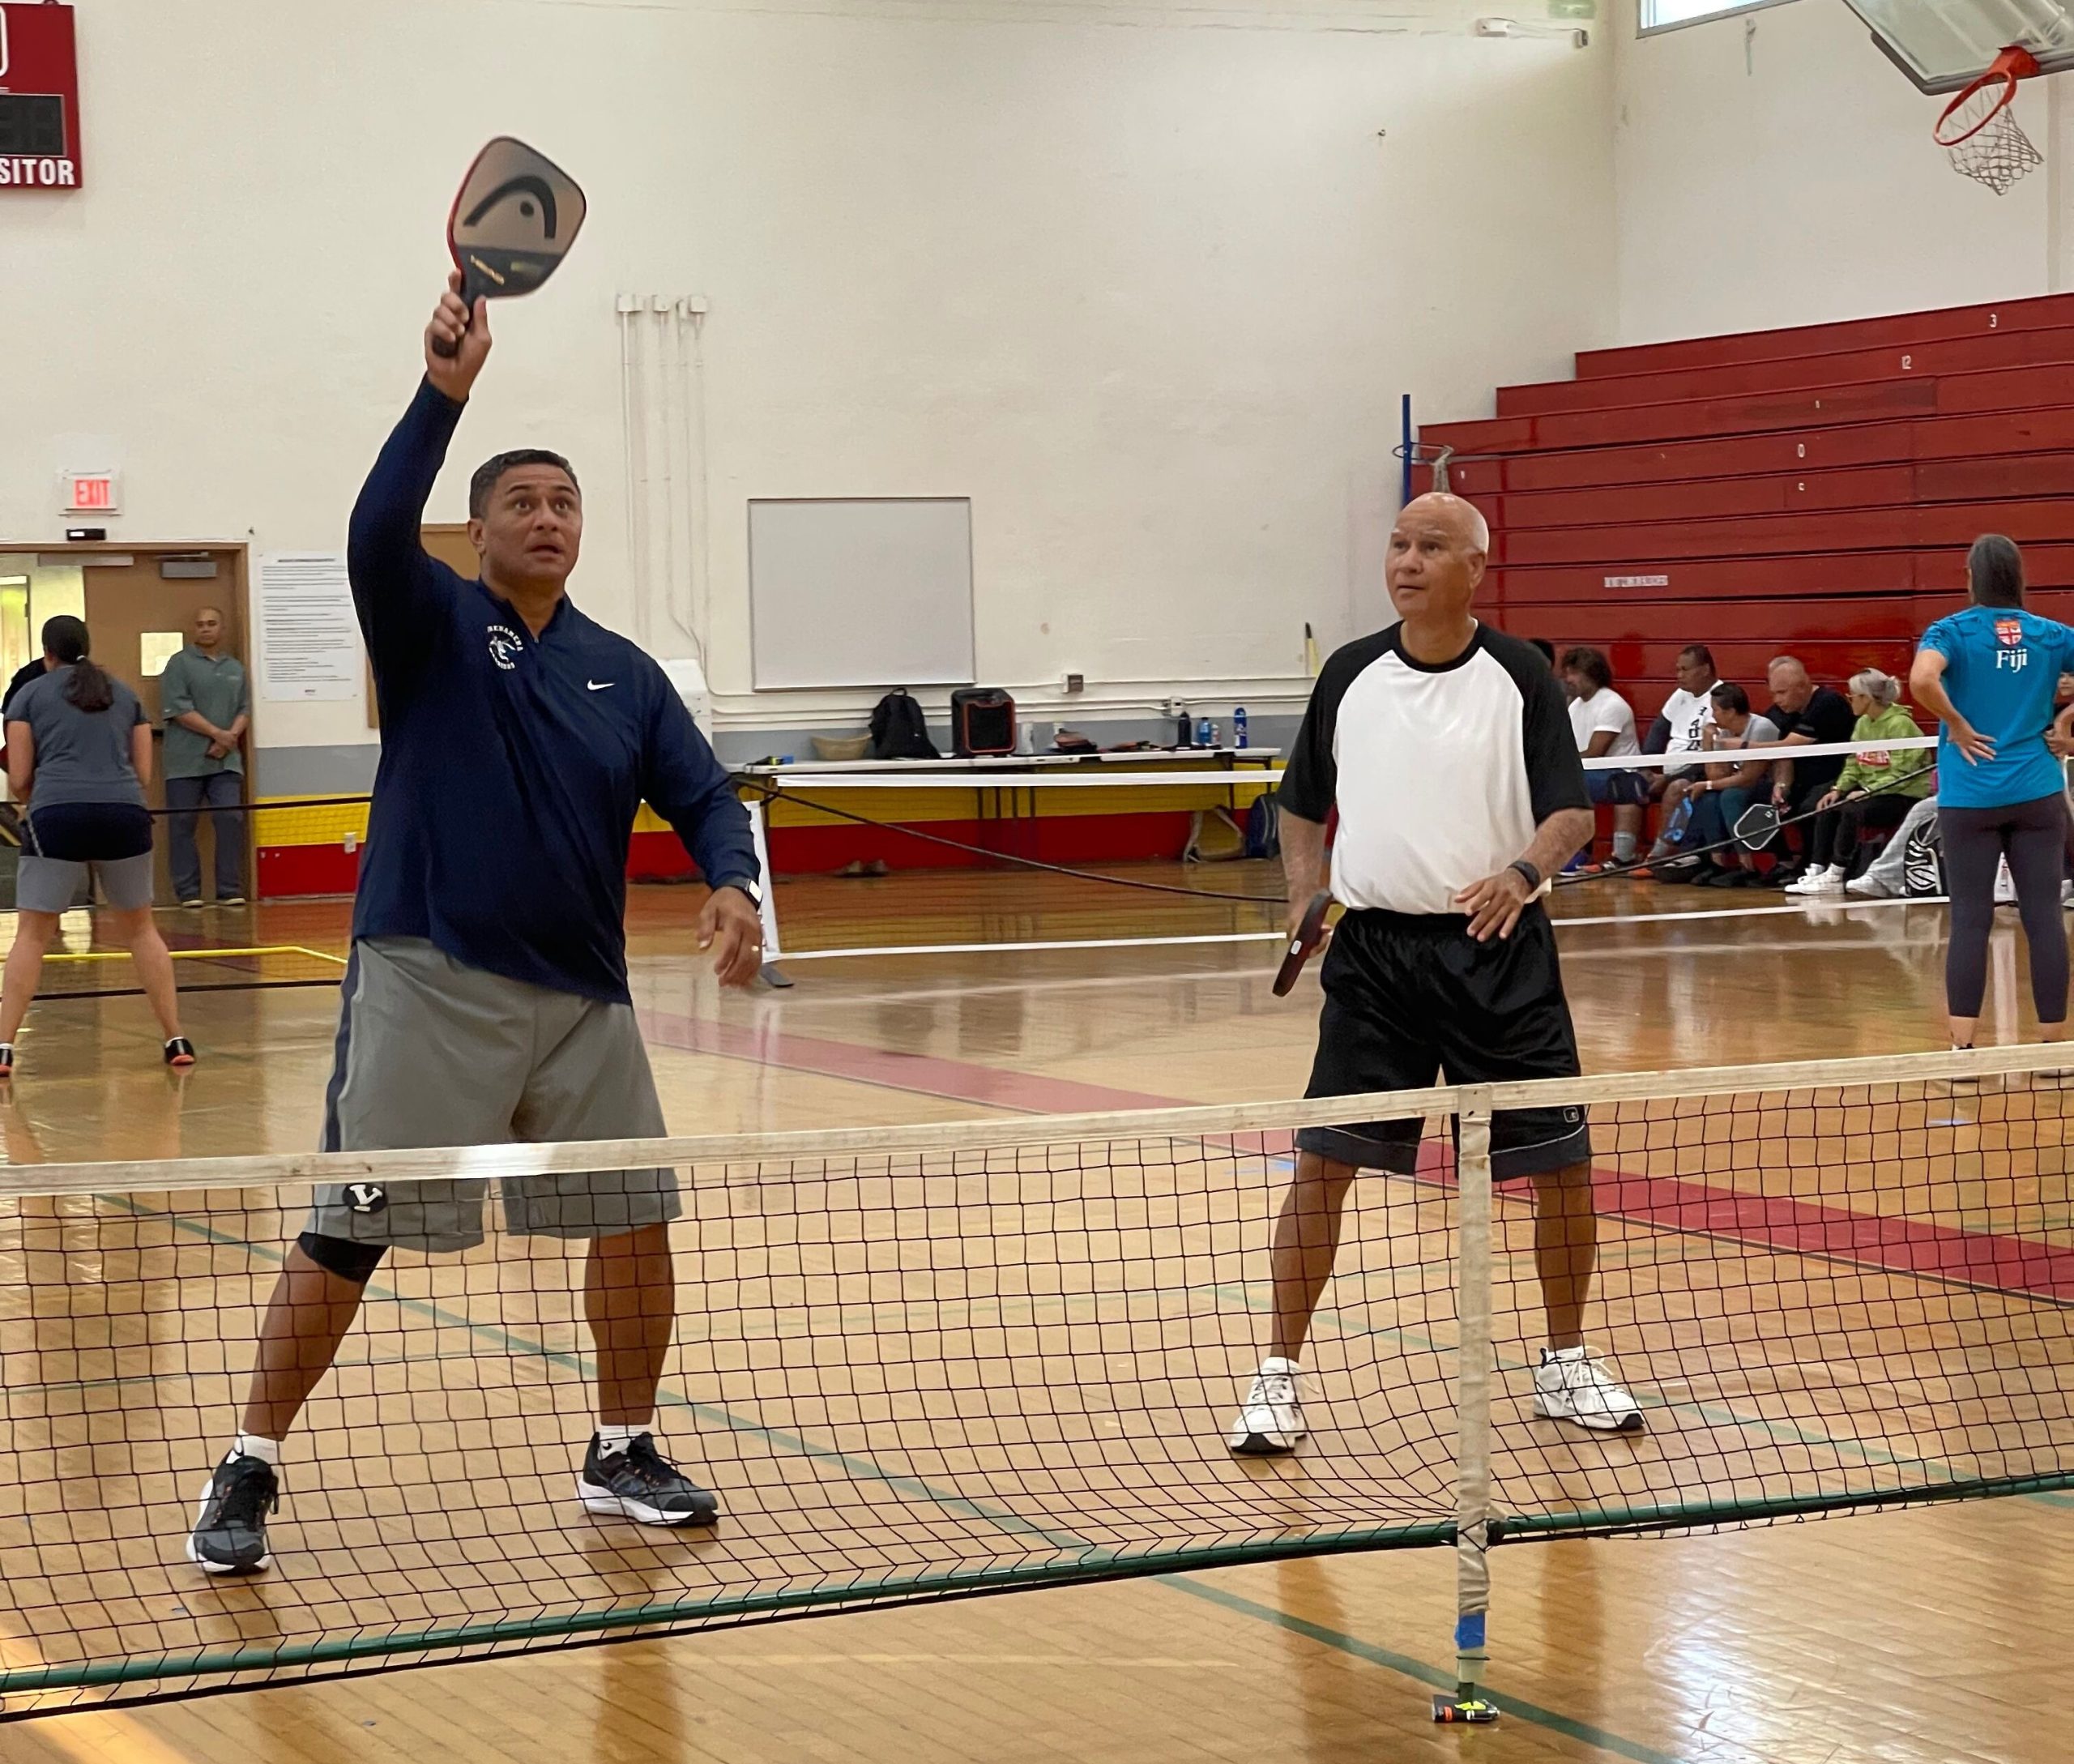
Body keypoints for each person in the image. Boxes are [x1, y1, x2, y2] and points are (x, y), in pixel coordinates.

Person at [186, 274, 768, 1576]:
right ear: (480, 527)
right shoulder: (433, 621)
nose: (549, 519)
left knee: (634, 1219)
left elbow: (702, 791)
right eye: (523, 502)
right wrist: (443, 391)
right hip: (426, 974)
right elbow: (373, 525)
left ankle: (623, 1445)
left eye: (565, 503)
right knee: (353, 1223)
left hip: (584, 1002)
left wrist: (734, 878)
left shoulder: (625, 669)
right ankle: (251, 1461)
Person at [1227, 492, 1640, 1459]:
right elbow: (1299, 803)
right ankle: (1276, 1376)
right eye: (1398, 543)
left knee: (1561, 1166)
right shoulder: (1349, 673)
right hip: (1375, 961)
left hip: (1498, 950)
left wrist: (1521, 873)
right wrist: (1302, 891)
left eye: (1431, 546)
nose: (1406, 561)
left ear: (1477, 568)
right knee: (1323, 1166)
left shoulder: (1522, 676)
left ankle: (1564, 1359)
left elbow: (1570, 813)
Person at [0, 617, 195, 1075]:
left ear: (48, 654)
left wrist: (49, 801)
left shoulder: (27, 696)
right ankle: (175, 1038)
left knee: (33, 934)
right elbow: (144, 774)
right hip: (124, 815)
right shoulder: (125, 695)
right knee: (141, 932)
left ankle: (4, 1047)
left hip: (57, 816)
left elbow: (22, 778)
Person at [1909, 534, 2074, 1057]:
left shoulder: (1951, 631)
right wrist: (2066, 724)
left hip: (1970, 797)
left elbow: (1921, 679)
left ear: (1970, 576)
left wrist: (1956, 723)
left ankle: (1964, 1047)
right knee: (2044, 916)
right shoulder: (2050, 635)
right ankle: (2053, 1048)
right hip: (2038, 793)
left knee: (1972, 919)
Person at [1785, 669, 1932, 895]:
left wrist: (1867, 791)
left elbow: (1904, 771)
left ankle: (1837, 872)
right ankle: (1817, 870)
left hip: (1903, 794)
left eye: (1853, 695)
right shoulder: (1862, 723)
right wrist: (1838, 789)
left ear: (1867, 697)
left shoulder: (1900, 725)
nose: (1849, 699)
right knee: (1827, 805)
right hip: (1872, 790)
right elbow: (1854, 761)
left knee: (1852, 810)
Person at [160, 606, 250, 908]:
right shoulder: (179, 664)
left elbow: (244, 710)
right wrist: (218, 734)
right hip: (184, 763)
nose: (205, 629)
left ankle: (229, 889)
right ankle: (188, 892)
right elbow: (179, 709)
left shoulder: (236, 668)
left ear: (221, 628)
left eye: (211, 623)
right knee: (182, 823)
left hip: (226, 762)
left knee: (230, 818)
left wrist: (229, 739)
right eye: (200, 624)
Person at [1762, 657, 1857, 885]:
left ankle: (1815, 864)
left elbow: (1790, 745)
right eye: (1774, 692)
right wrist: (1780, 784)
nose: (1777, 700)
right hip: (1800, 779)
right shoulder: (1778, 712)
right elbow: (1781, 754)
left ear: (1803, 687)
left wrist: (1742, 747)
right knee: (1757, 798)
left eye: (1782, 692)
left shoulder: (1828, 703)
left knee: (1810, 806)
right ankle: (1783, 860)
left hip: (1838, 775)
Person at [1675, 682, 1780, 888]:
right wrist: (1708, 743)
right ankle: (1718, 864)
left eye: (1715, 710)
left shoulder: (1762, 727)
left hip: (1770, 785)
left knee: (1729, 796)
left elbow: (1750, 777)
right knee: (1708, 798)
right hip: (1740, 783)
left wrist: (1708, 784)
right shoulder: (1723, 731)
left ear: (1731, 711)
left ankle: (1747, 865)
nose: (1713, 716)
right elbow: (1715, 774)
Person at [1560, 647, 1644, 869]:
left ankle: (1612, 855)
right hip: (1588, 770)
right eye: (1566, 673)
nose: (1568, 679)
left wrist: (1560, 764)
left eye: (1574, 673)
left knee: (1568, 785)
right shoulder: (1575, 706)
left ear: (1592, 674)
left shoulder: (1612, 704)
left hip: (1619, 774)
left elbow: (1595, 752)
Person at [1640, 644, 1718, 867]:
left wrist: (1666, 778)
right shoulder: (1680, 695)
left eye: (1685, 670)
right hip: (1667, 771)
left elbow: (1709, 758)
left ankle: (1660, 855)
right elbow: (1659, 730)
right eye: (1677, 670)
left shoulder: (1720, 697)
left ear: (1704, 670)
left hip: (1699, 774)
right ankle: (1622, 855)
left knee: (1678, 787)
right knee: (1627, 784)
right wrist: (1645, 768)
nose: (1679, 676)